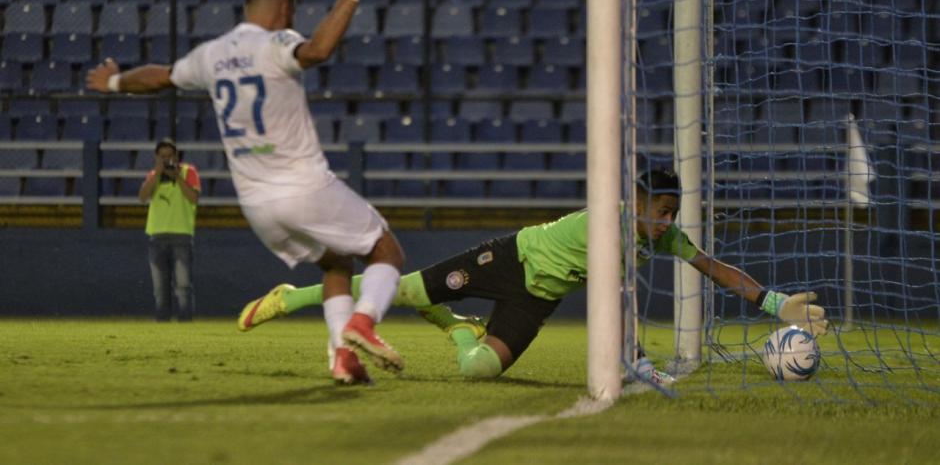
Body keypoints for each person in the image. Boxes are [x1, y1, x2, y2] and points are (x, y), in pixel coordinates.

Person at [87, 0, 406, 386]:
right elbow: (318, 50)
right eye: (291, 9)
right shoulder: (276, 44)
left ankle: (342, 357)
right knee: (385, 249)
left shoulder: (212, 55)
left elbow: (159, 76)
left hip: (258, 207)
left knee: (335, 263)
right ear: (281, 6)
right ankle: (363, 322)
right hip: (305, 188)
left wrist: (115, 81)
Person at [236, 169, 829, 385]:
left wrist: (775, 303)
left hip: (537, 299)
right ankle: (290, 297)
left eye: (673, 213)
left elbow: (715, 267)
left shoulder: (665, 235)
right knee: (406, 289)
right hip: (510, 260)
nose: (667, 222)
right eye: (660, 210)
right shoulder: (612, 225)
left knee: (477, 371)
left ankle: (456, 328)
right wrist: (638, 358)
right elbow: (612, 296)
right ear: (638, 201)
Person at [139, 138, 201, 322]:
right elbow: (143, 197)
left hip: (181, 234)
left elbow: (194, 198)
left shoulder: (188, 172)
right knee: (160, 288)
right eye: (162, 156)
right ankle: (162, 322)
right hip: (157, 235)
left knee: (183, 286)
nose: (166, 160)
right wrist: (156, 175)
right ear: (156, 158)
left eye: (169, 156)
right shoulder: (153, 175)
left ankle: (185, 322)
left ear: (176, 156)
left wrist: (177, 178)